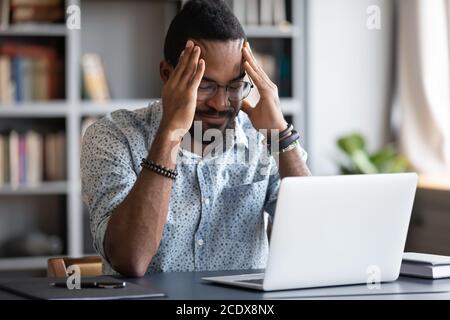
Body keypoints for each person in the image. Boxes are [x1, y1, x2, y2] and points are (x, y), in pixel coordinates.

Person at [81, 0, 311, 277]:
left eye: (235, 86)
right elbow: (131, 259)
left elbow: (314, 238)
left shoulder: (263, 139)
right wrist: (170, 133)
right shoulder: (113, 136)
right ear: (168, 75)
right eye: (205, 85)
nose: (219, 103)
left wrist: (281, 136)